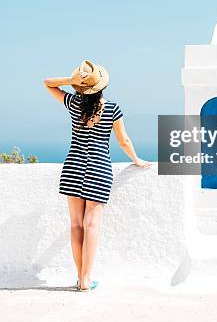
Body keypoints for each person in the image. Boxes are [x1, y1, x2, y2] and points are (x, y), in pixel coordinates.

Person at [44, 59, 151, 291]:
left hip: (73, 166)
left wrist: (70, 81)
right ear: (102, 85)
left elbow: (48, 84)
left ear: (80, 86)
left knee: (76, 225)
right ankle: (85, 279)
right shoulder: (112, 108)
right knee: (91, 225)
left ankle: (79, 277)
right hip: (99, 169)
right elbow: (124, 140)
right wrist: (136, 160)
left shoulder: (73, 103)